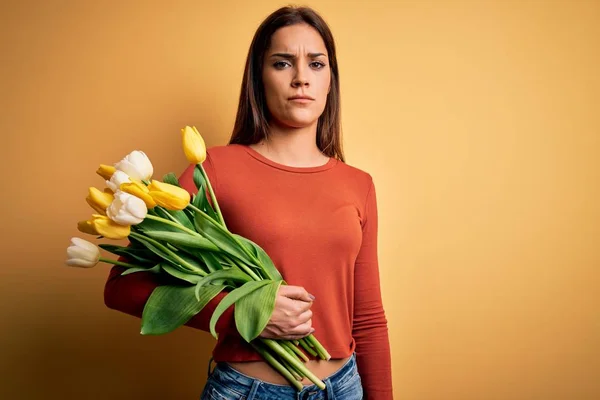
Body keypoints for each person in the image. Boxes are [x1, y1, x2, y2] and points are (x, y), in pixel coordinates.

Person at [104, 5, 393, 400]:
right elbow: (122, 286)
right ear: (259, 78)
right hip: (249, 392)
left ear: (331, 81)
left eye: (316, 63)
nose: (301, 78)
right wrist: (246, 314)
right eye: (282, 63)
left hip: (344, 388)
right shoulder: (213, 169)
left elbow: (369, 319)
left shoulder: (358, 184)